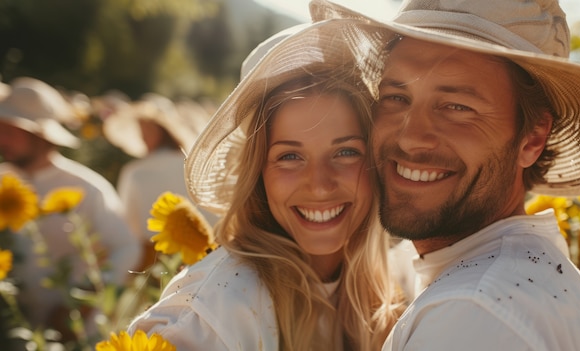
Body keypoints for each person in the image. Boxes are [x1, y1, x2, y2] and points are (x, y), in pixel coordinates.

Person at [306, 0, 580, 349]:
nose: (411, 137)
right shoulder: (525, 284)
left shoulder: (473, 311)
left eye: (457, 107)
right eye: (396, 97)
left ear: (532, 137)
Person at [128, 25, 405, 350]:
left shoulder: (384, 292)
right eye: (290, 156)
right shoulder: (217, 309)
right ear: (258, 174)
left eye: (345, 152)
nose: (319, 186)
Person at [0, 77, 141, 342]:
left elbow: (126, 248)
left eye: (9, 131)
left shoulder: (86, 188)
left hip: (72, 335)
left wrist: (81, 303)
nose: (0, 139)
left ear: (38, 134)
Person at [103, 93, 217, 272]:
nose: (143, 137)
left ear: (164, 129)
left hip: (158, 261)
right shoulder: (196, 162)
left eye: (147, 130)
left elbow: (127, 227)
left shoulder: (136, 171)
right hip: (209, 256)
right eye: (141, 130)